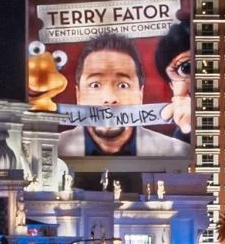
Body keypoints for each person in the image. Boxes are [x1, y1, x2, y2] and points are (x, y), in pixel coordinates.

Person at [54, 32, 191, 157]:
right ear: (78, 95)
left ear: (140, 95)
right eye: (95, 85)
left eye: (123, 85)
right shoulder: (51, 150)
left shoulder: (179, 152)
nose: (109, 99)